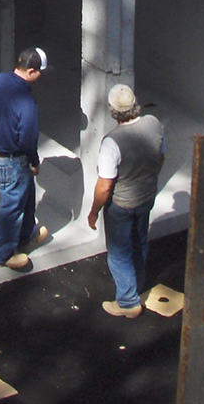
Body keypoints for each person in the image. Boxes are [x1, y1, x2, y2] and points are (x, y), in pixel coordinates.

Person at [87, 84, 165, 318]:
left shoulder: (112, 141)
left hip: (121, 204)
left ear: (113, 110)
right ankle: (137, 285)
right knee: (139, 240)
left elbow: (105, 185)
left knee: (119, 252)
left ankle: (128, 301)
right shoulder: (154, 124)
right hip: (147, 196)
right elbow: (161, 156)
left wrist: (93, 212)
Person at [0, 47, 52, 271]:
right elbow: (28, 139)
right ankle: (1, 254)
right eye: (39, 72)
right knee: (12, 204)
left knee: (25, 191)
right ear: (30, 71)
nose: (40, 77)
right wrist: (34, 161)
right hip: (10, 158)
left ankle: (26, 235)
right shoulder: (27, 103)